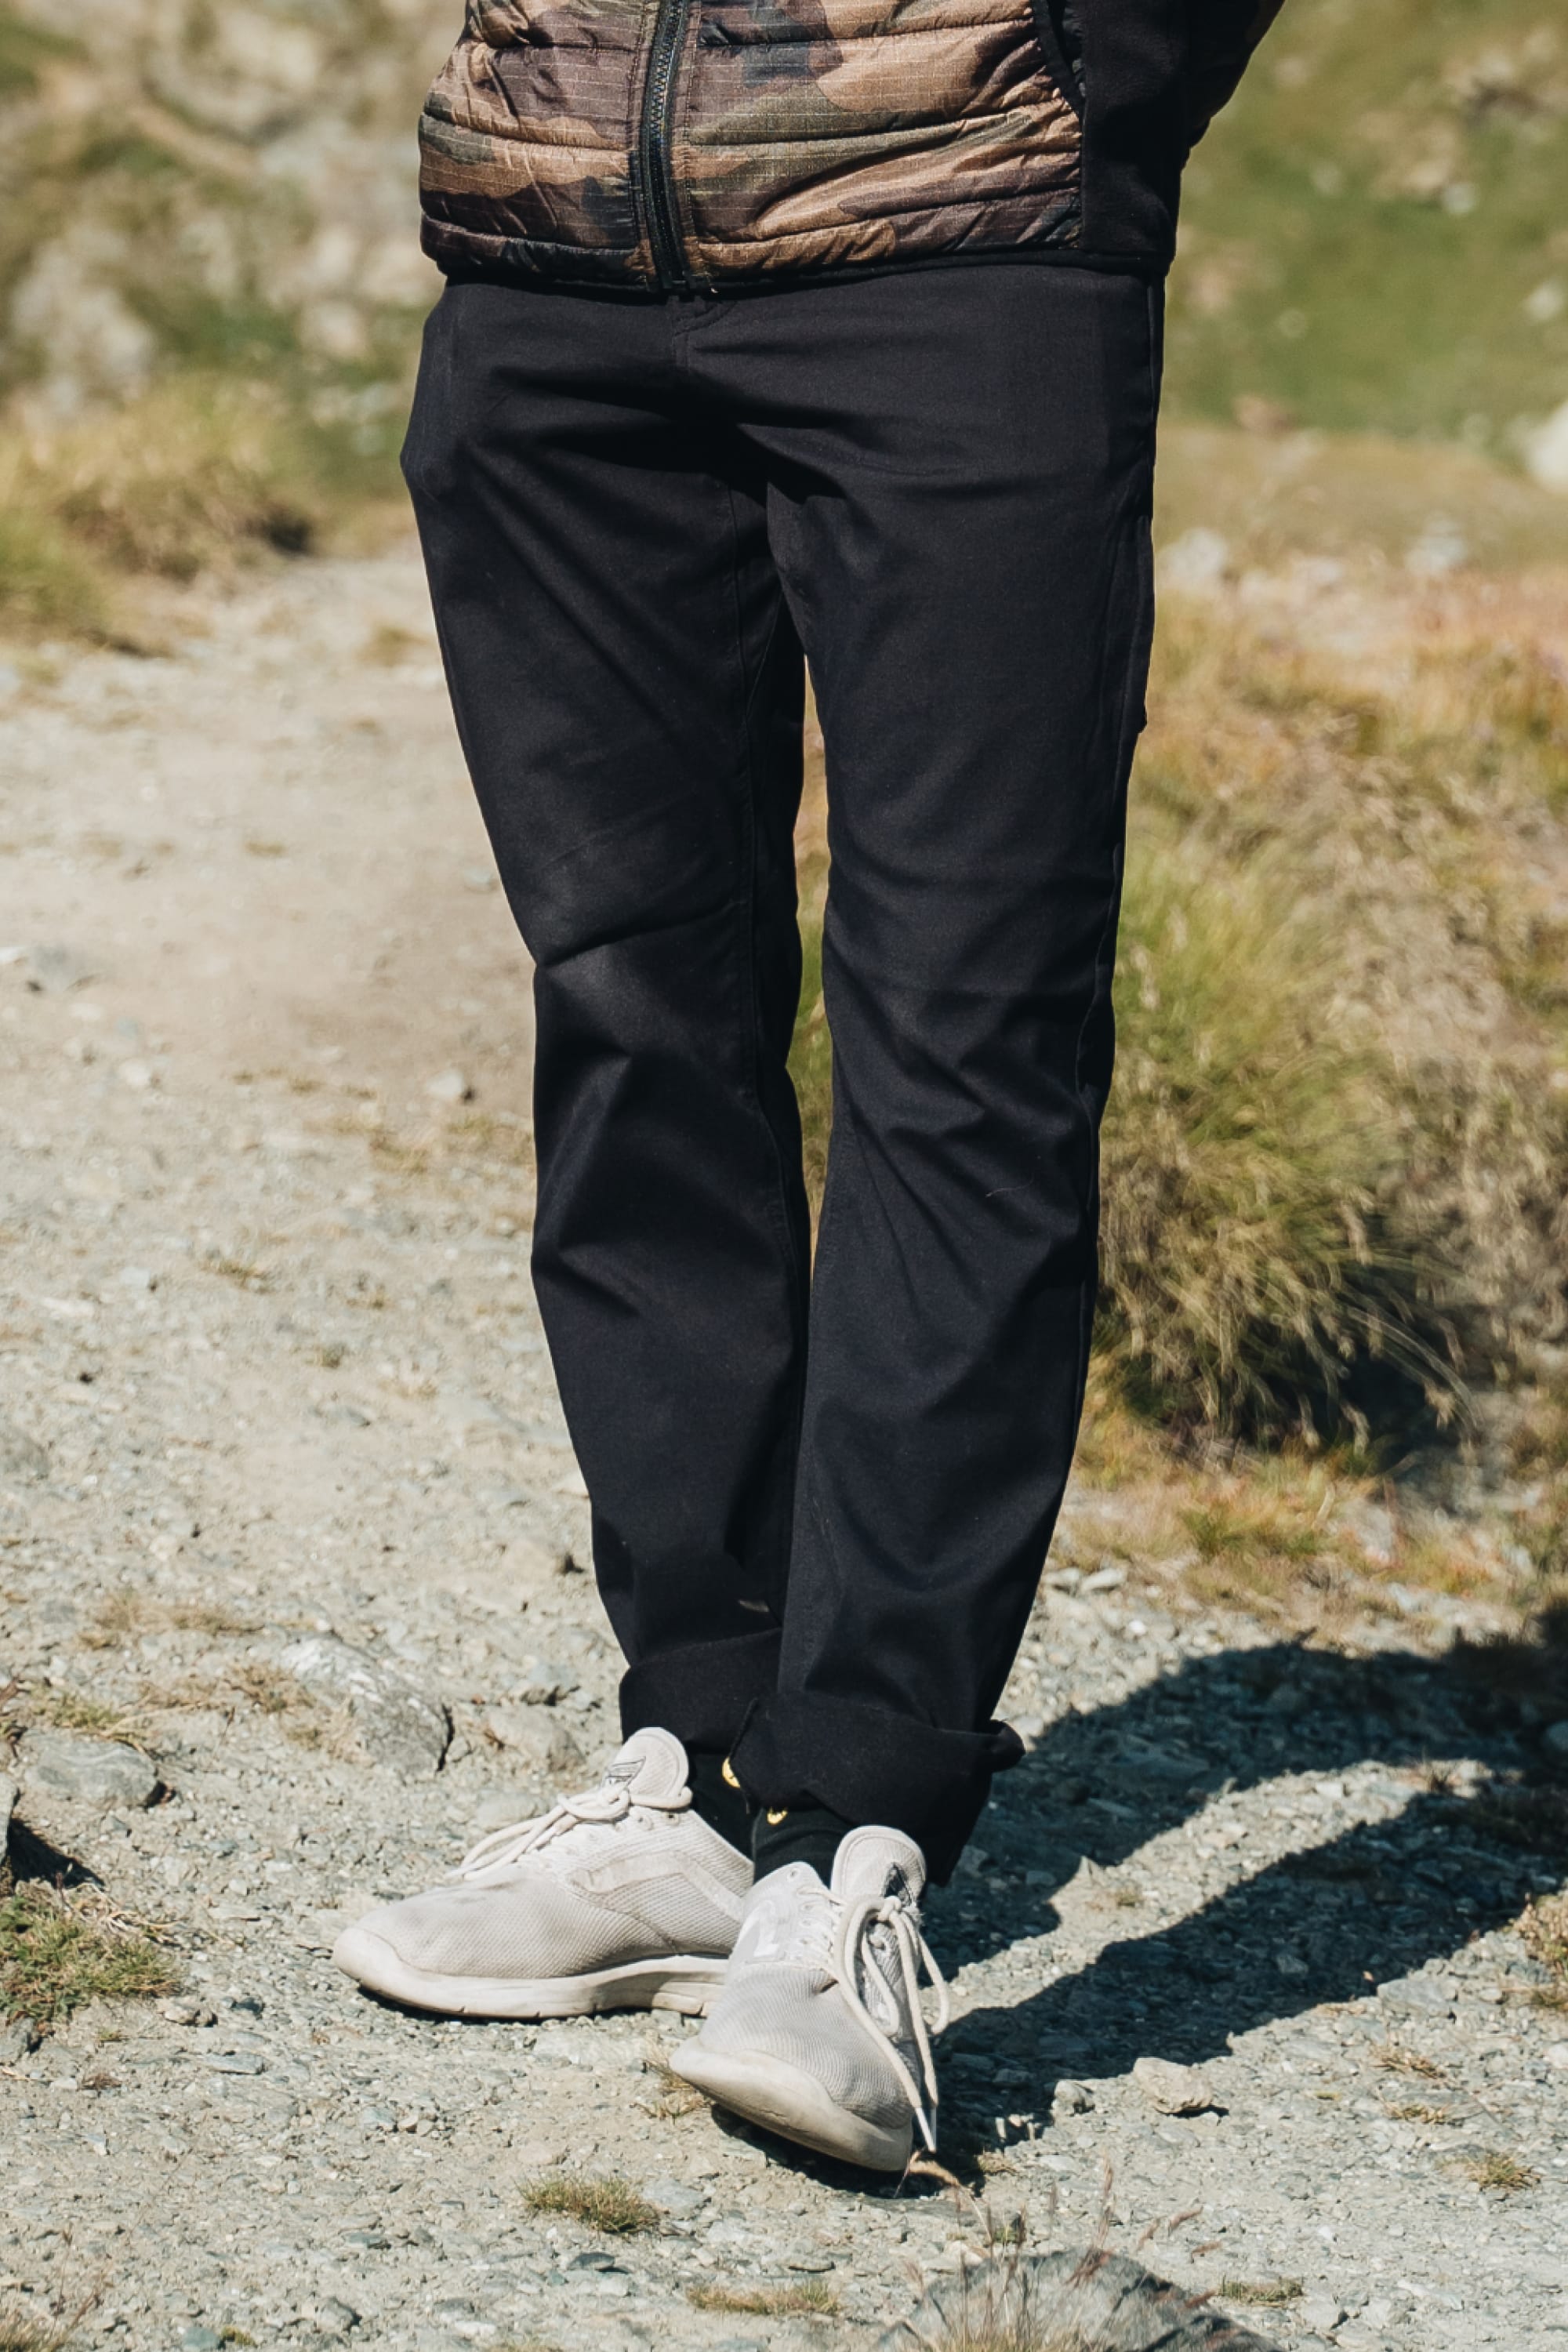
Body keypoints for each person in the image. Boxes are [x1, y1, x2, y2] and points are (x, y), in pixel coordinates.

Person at [333, 0, 1285, 2172]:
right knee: (635, 1020)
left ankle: (855, 1845)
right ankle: (694, 1761)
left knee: (965, 1040)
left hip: (958, 258)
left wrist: (1081, 89)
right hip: (552, 260)